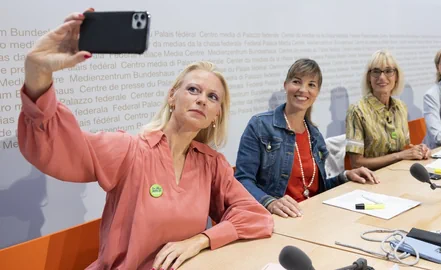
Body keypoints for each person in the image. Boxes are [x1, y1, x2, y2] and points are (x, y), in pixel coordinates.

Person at [17, 9, 273, 270]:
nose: (201, 99)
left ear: (216, 115)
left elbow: (256, 217)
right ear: (172, 97)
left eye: (212, 97)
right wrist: (37, 72)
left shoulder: (212, 165)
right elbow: (58, 145)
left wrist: (201, 240)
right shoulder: (130, 150)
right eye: (193, 89)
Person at [234, 58, 379, 219]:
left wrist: (345, 176)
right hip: (278, 219)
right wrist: (269, 202)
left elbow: (316, 188)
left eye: (311, 84)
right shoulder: (260, 125)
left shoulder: (315, 135)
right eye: (297, 82)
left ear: (317, 92)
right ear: (285, 85)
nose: (303, 90)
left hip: (313, 215)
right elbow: (242, 180)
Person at [346, 50, 430, 171]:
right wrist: (399, 156)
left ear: (396, 77)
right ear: (369, 77)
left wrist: (419, 150)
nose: (382, 77)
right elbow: (356, 163)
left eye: (388, 71)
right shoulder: (357, 110)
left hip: (399, 173)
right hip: (371, 180)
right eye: (376, 71)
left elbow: (403, 148)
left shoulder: (401, 107)